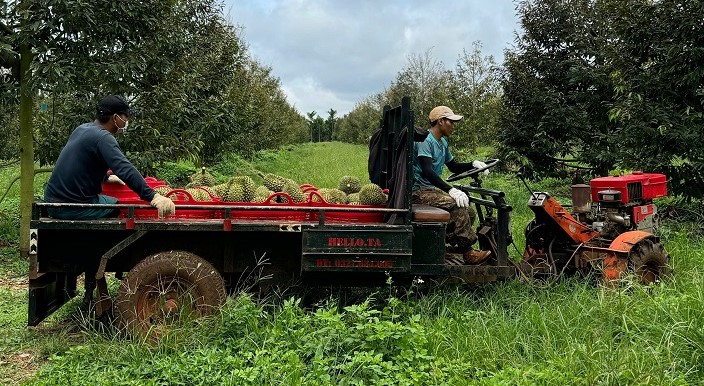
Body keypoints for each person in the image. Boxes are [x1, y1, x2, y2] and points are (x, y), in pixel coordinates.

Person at [44, 95, 175, 219]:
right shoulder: (103, 138)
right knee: (118, 207)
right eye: (126, 116)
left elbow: (82, 164)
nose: (127, 121)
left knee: (108, 199)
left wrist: (106, 177)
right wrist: (153, 196)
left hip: (53, 200)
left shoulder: (82, 129)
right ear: (115, 117)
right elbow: (124, 168)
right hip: (71, 207)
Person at [412, 105, 491, 263]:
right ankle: (468, 253)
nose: (453, 126)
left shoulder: (442, 143)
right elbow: (428, 171)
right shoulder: (425, 141)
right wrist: (451, 190)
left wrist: (473, 164)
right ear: (441, 121)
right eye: (451, 122)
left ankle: (444, 247)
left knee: (469, 212)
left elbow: (453, 166)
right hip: (418, 192)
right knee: (458, 205)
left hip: (431, 190)